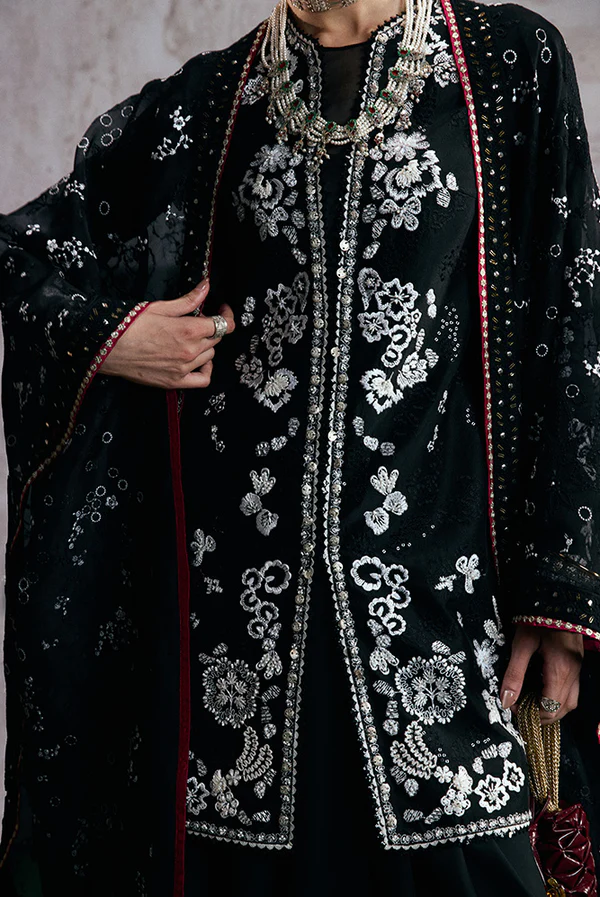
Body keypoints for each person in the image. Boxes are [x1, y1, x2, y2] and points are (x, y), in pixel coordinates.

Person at [0, 0, 598, 894]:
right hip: (243, 678)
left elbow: (572, 319)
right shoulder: (213, 100)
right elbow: (22, 255)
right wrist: (117, 336)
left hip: (442, 640)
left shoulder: (508, 64)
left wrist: (560, 594)